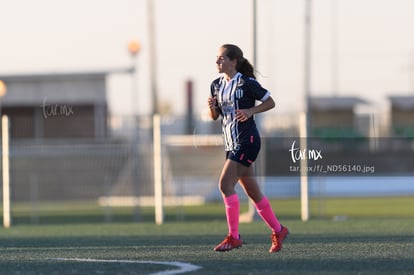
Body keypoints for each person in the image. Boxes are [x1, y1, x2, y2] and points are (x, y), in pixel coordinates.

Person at [208, 44, 289, 253]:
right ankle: (278, 230)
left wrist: (252, 110)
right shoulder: (216, 85)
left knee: (225, 185)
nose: (217, 62)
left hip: (248, 140)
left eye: (221, 58)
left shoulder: (246, 82)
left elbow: (270, 102)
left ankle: (233, 237)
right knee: (253, 192)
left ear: (233, 61)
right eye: (217, 58)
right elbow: (215, 117)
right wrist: (212, 108)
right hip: (231, 143)